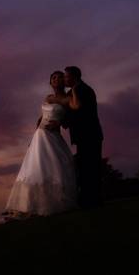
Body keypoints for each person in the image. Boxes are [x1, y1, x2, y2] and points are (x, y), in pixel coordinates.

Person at [0, 71, 78, 221]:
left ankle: (55, 203)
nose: (56, 79)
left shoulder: (67, 98)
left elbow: (76, 108)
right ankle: (32, 204)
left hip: (53, 136)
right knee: (35, 169)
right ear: (50, 82)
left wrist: (75, 89)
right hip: (40, 135)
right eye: (53, 78)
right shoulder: (48, 98)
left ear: (63, 81)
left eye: (59, 77)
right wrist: (34, 134)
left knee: (55, 167)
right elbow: (42, 116)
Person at [50, 66, 104, 208]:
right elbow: (69, 114)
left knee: (92, 167)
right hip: (82, 136)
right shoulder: (72, 92)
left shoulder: (85, 90)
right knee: (85, 167)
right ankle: (89, 199)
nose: (64, 79)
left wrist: (62, 122)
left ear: (74, 77)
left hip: (90, 134)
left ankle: (93, 200)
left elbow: (82, 114)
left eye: (66, 77)